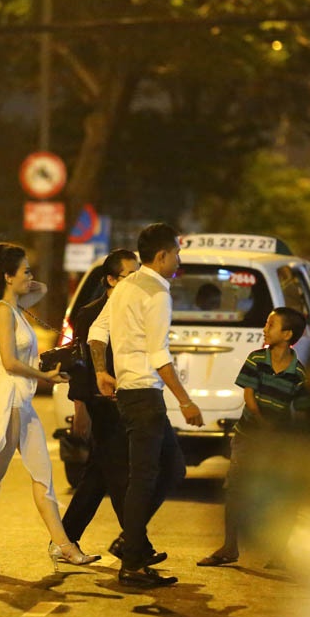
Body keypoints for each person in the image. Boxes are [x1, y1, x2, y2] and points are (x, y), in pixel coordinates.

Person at [0, 242, 100, 573]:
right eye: (25, 271)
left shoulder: (13, 307)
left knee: (41, 475)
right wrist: (45, 377)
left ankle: (65, 547)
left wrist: (21, 280)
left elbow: (40, 290)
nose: (31, 276)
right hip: (9, 401)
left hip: (21, 403)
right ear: (7, 276)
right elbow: (11, 361)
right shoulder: (2, 311)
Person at [89, 222, 203, 588]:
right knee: (144, 478)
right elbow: (159, 356)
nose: (179, 260)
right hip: (143, 395)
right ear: (163, 256)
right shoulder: (156, 294)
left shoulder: (126, 286)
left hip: (130, 393)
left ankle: (131, 540)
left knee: (173, 469)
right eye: (177, 254)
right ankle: (132, 564)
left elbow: (96, 331)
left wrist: (102, 371)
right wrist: (186, 401)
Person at [196, 306, 310, 569]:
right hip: (248, 437)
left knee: (280, 495)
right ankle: (230, 547)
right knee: (236, 490)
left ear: (287, 334)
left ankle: (278, 551)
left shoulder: (299, 373)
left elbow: (303, 410)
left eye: (271, 325)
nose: (265, 329)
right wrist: (264, 424)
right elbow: (249, 397)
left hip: (276, 443)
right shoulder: (256, 359)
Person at [61, 249, 140, 549]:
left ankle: (65, 539)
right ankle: (135, 545)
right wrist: (80, 408)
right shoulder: (90, 314)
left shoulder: (135, 311)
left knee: (98, 475)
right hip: (100, 402)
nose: (136, 282)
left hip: (125, 400)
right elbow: (79, 366)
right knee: (120, 473)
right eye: (129, 276)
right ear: (110, 280)